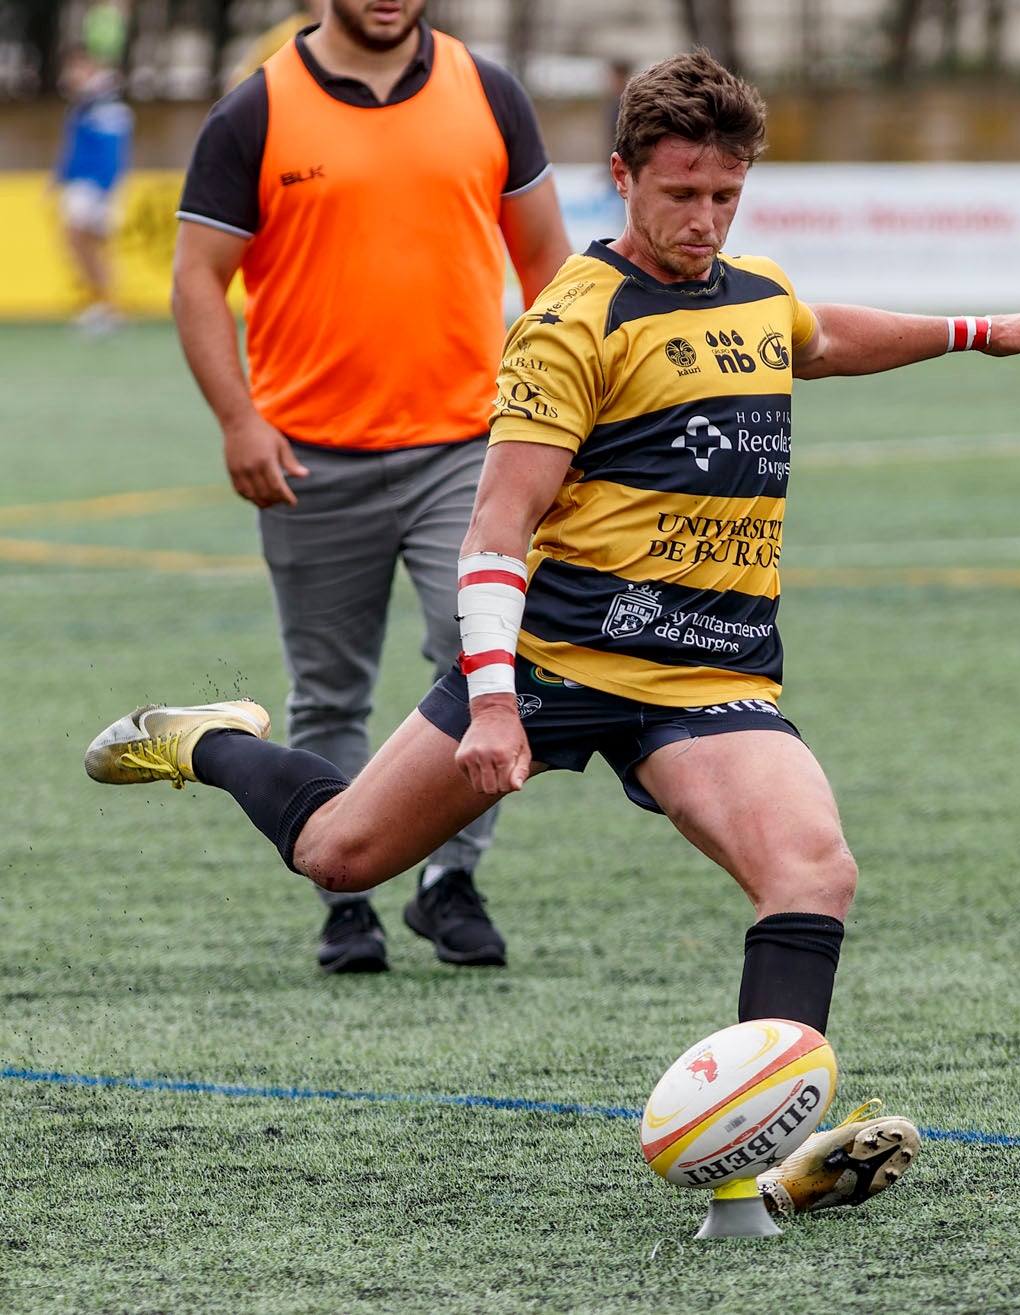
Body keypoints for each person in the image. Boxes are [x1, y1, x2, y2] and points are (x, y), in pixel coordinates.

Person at [88, 49, 1020, 1215]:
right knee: (341, 856)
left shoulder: (753, 293)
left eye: (725, 195)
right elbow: (494, 530)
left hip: (708, 678)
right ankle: (208, 737)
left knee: (812, 867)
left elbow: (820, 338)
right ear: (622, 177)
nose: (705, 220)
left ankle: (770, 1161)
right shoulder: (573, 322)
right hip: (554, 662)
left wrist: (987, 329)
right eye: (681, 194)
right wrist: (492, 702)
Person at [169, 0, 571, 973]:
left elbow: (552, 269)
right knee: (330, 690)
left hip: (467, 451)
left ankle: (451, 881)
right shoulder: (256, 110)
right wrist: (239, 420)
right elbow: (196, 278)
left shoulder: (490, 93)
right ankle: (345, 897)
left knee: (484, 664)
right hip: (310, 459)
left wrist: (554, 421)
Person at [52, 45, 133, 336]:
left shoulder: (105, 103)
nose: (70, 74)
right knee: (87, 246)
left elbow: (111, 153)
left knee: (85, 244)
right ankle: (103, 304)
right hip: (83, 185)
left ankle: (106, 306)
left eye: (76, 67)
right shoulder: (85, 103)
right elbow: (73, 148)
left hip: (94, 187)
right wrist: (58, 179)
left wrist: (104, 190)